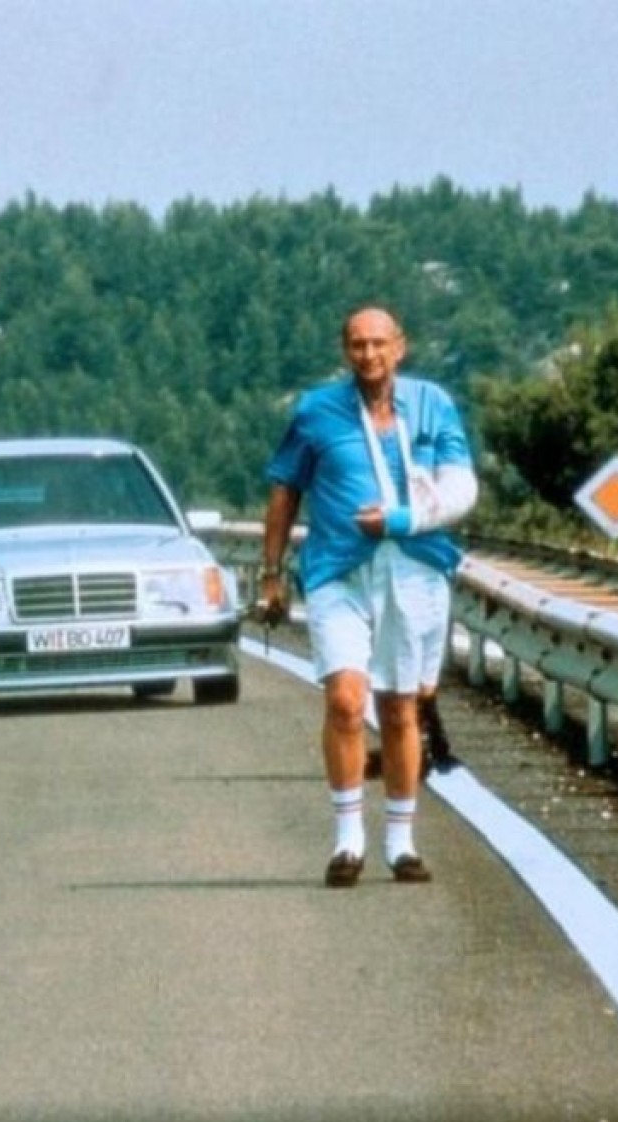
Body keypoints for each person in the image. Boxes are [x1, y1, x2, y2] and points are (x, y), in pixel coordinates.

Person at [257, 306, 478, 888]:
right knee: (346, 702)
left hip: (413, 568)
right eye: (357, 344)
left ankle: (401, 843)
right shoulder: (316, 411)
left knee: (401, 709)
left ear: (400, 347)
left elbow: (461, 487)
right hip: (339, 572)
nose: (369, 355)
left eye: (379, 343)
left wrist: (403, 520)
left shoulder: (432, 404)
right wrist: (271, 575)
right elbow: (284, 491)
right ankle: (348, 840)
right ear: (345, 351)